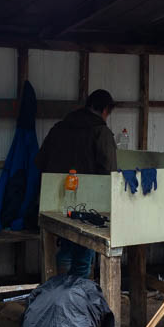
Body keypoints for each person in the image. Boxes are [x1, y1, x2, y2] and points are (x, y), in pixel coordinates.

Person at [35, 89, 118, 277]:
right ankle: (76, 292)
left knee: (66, 249)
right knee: (83, 257)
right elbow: (110, 172)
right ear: (105, 109)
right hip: (87, 205)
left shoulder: (59, 128)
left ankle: (59, 288)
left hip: (55, 203)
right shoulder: (101, 132)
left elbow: (40, 161)